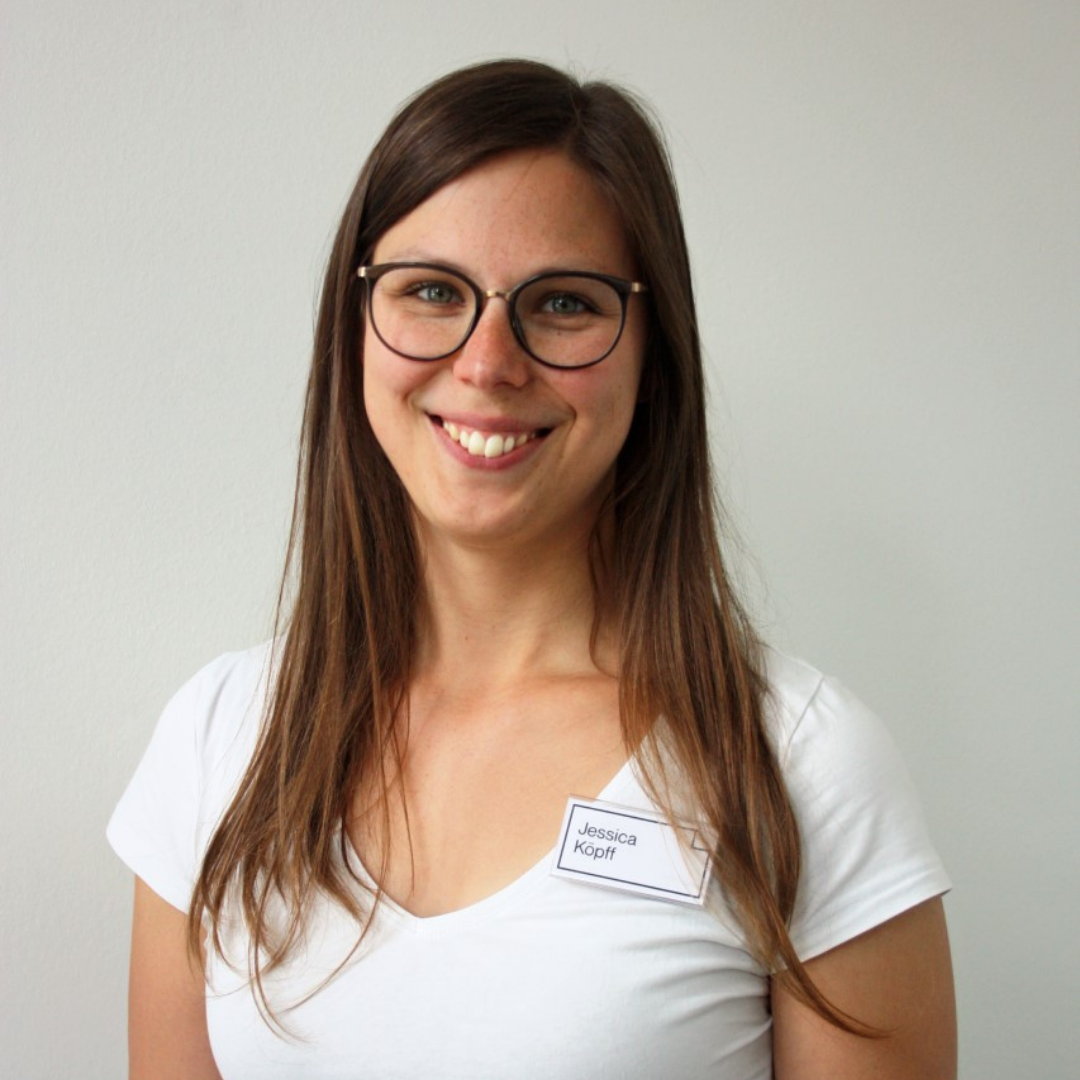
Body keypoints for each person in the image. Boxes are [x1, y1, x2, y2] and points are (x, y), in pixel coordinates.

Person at [108, 59, 956, 1079]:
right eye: (432, 291)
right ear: (354, 324)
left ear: (654, 355)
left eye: (561, 303)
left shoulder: (800, 766)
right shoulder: (219, 741)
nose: (487, 363)